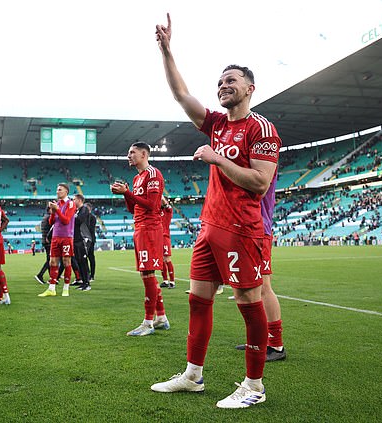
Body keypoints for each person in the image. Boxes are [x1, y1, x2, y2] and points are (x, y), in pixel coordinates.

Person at [150, 14, 281, 409]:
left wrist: (217, 159)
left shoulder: (262, 129)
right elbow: (181, 95)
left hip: (243, 229)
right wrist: (167, 50)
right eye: (220, 82)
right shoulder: (217, 124)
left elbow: (259, 182)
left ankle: (254, 386)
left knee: (248, 300)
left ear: (249, 88)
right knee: (197, 299)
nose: (224, 86)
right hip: (210, 228)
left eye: (232, 81)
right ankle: (192, 375)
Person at [111, 142, 170, 336]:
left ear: (144, 154)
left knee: (147, 275)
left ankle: (147, 323)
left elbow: (153, 205)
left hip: (150, 229)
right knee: (147, 275)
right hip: (140, 227)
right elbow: (132, 208)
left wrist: (127, 193)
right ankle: (161, 317)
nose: (128, 156)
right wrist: (126, 195)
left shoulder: (153, 174)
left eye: (132, 153)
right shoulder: (137, 178)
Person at [235, 181, 286, 362]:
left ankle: (277, 345)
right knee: (252, 289)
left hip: (259, 230)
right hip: (248, 230)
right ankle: (259, 340)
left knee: (264, 287)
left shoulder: (262, 162)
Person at [38, 183, 75, 297]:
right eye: (57, 190)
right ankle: (51, 288)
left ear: (66, 192)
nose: (57, 192)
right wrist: (53, 212)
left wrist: (57, 210)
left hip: (67, 237)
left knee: (66, 262)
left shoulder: (71, 204)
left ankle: (66, 288)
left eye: (60, 190)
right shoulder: (57, 204)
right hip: (55, 237)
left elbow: (66, 221)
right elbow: (51, 222)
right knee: (52, 262)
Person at [72, 194, 92, 291]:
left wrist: (71, 217)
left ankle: (87, 283)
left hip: (83, 238)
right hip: (77, 239)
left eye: (74, 199)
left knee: (83, 261)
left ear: (79, 200)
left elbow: (79, 220)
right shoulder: (78, 210)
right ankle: (83, 282)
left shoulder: (84, 209)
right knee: (79, 261)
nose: (72, 201)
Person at [159, 196, 176, 289]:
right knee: (161, 260)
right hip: (157, 237)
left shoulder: (168, 210)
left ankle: (172, 281)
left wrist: (160, 195)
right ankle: (165, 280)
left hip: (165, 237)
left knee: (167, 259)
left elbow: (165, 203)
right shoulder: (158, 211)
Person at [34, 207, 52, 285]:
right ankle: (40, 275)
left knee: (50, 259)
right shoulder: (49, 217)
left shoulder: (45, 217)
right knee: (50, 260)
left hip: (45, 240)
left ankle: (52, 277)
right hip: (48, 241)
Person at [85, 202, 97, 282]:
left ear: (89, 209)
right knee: (84, 257)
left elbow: (90, 229)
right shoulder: (85, 216)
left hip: (90, 240)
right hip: (84, 239)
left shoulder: (92, 217)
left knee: (91, 257)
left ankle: (92, 275)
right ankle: (87, 273)